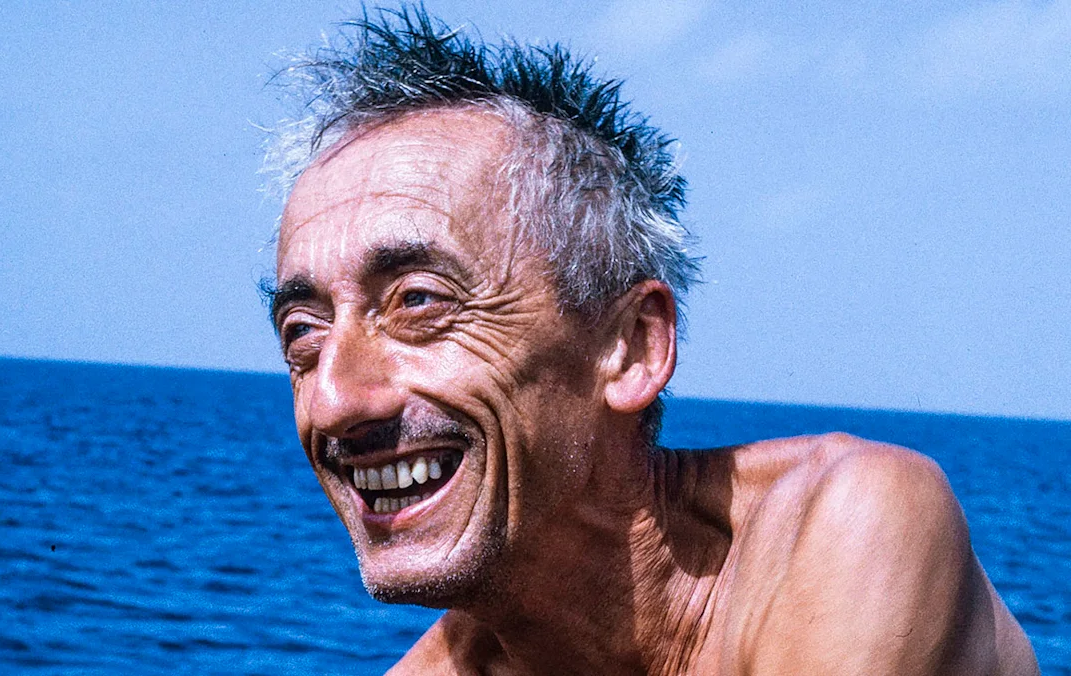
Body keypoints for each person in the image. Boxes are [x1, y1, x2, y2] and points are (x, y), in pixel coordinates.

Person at [261, 7, 1038, 674]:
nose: (332, 400)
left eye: (419, 302)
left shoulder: (843, 527)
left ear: (631, 347)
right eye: (303, 334)